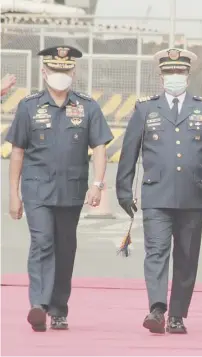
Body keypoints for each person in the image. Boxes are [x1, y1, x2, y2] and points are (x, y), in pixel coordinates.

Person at [116, 48, 202, 334]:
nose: (174, 77)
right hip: (157, 194)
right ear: (161, 75)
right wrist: (123, 190)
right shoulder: (145, 108)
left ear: (188, 75)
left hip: (193, 195)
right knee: (156, 251)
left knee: (187, 255)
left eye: (179, 72)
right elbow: (129, 150)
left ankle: (178, 313)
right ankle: (157, 308)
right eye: (169, 72)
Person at [6, 45, 113, 331]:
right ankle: (38, 305)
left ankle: (58, 307)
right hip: (36, 189)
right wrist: (13, 195)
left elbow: (100, 146)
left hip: (72, 190)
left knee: (65, 248)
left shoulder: (88, 106)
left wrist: (97, 184)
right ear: (44, 72)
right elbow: (17, 151)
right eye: (55, 70)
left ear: (74, 72)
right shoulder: (28, 106)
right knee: (42, 242)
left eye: (66, 70)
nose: (60, 75)